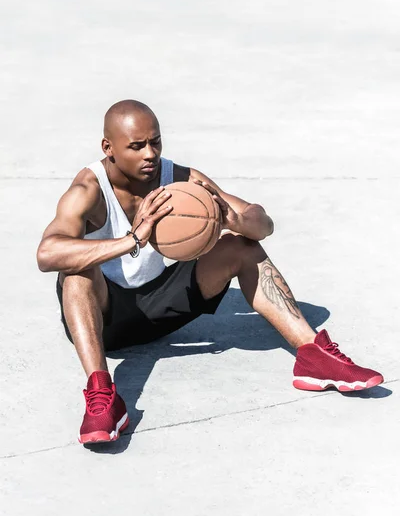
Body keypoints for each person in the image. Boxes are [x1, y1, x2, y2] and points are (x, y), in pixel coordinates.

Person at [36, 99, 383, 445]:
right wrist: (132, 240)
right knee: (75, 273)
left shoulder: (181, 179)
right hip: (103, 318)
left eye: (155, 141)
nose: (150, 154)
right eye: (136, 146)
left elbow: (265, 224)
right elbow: (47, 253)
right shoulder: (88, 189)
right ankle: (103, 397)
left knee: (240, 245)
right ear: (108, 148)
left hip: (157, 306)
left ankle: (313, 356)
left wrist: (236, 220)